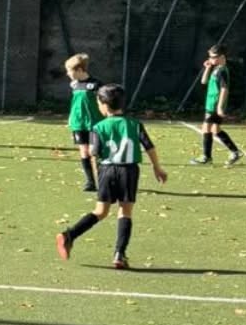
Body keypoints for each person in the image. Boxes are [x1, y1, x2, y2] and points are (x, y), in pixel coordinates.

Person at [55, 83, 166, 270]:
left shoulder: (98, 127)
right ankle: (119, 254)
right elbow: (149, 146)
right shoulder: (134, 124)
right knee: (125, 212)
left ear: (104, 105)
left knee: (100, 211)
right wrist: (157, 168)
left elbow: (93, 153)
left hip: (106, 170)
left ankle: (69, 235)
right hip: (128, 170)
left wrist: (97, 176)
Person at [190, 46, 242, 167]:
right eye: (209, 56)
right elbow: (203, 81)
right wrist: (207, 68)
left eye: (213, 57)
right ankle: (235, 152)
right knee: (215, 130)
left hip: (214, 105)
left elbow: (224, 89)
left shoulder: (222, 71)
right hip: (210, 103)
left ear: (222, 57)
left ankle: (206, 157)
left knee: (206, 129)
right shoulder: (216, 69)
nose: (210, 59)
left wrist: (219, 107)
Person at [64, 53, 100, 191]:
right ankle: (90, 182)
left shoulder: (96, 85)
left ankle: (102, 179)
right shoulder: (74, 85)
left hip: (94, 123)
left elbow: (102, 103)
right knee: (84, 152)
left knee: (94, 151)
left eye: (69, 71)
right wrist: (71, 118)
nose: (67, 74)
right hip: (78, 123)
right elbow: (75, 103)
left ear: (79, 70)